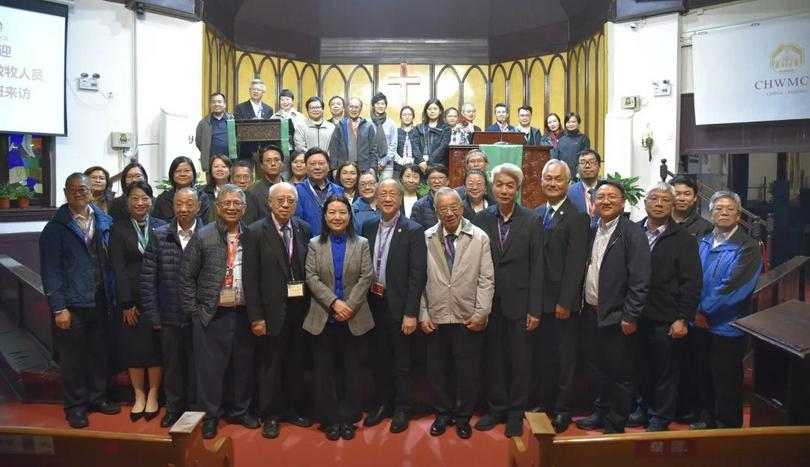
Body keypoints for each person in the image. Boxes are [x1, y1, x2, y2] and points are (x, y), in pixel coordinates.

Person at [40, 173, 121, 429]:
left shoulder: (103, 220)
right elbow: (50, 270)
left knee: (99, 353)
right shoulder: (56, 228)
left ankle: (97, 398)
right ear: (66, 193)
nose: (78, 193)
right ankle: (75, 406)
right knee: (73, 359)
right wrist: (58, 307)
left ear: (91, 192)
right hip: (72, 305)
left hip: (101, 299)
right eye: (73, 189)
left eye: (83, 189)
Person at [179, 184, 259, 439]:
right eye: (227, 203)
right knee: (210, 371)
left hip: (244, 313)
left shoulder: (253, 235)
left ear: (244, 208)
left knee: (243, 367)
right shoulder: (203, 236)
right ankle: (210, 416)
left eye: (237, 203)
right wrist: (194, 311)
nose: (232, 208)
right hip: (211, 315)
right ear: (217, 207)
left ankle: (240, 411)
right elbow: (186, 277)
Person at [473, 163, 543, 438]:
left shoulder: (531, 220)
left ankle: (516, 412)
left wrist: (534, 309)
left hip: (520, 303)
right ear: (493, 187)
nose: (503, 190)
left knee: (519, 361)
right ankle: (496, 408)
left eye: (509, 185)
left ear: (517, 188)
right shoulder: (482, 219)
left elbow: (538, 267)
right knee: (494, 359)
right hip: (490, 303)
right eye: (499, 184)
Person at [576, 180, 650, 434]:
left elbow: (640, 278)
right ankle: (600, 412)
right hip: (591, 314)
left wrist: (631, 314)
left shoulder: (631, 232)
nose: (606, 201)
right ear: (594, 203)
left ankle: (616, 422)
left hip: (618, 317)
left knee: (620, 375)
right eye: (601, 197)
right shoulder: (592, 229)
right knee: (598, 371)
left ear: (622, 202)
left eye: (612, 197)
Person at [420, 187, 494, 439]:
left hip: (467, 315)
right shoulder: (427, 237)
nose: (449, 213)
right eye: (443, 208)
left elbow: (486, 279)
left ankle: (463, 417)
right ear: (436, 211)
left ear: (462, 208)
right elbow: (418, 279)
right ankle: (442, 414)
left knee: (467, 371)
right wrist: (423, 313)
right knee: (437, 372)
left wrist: (481, 313)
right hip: (436, 315)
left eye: (454, 207)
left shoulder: (479, 237)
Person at [243, 182, 314, 439]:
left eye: (290, 201)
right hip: (270, 312)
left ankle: (293, 408)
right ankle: (271, 414)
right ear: (270, 203)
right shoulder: (254, 232)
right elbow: (249, 279)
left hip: (299, 310)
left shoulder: (303, 229)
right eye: (280, 200)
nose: (285, 205)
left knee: (295, 363)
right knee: (270, 365)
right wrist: (256, 317)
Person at [632, 182, 702, 432]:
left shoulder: (683, 239)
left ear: (672, 205)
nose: (659, 203)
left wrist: (683, 318)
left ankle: (659, 417)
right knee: (641, 367)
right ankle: (642, 408)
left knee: (666, 372)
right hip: (636, 314)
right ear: (645, 203)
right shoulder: (633, 231)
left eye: (664, 200)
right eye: (654, 199)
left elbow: (691, 282)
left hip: (667, 317)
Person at [303, 195, 374, 441]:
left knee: (352, 372)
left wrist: (349, 306)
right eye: (332, 212)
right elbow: (311, 277)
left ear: (349, 215)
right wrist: (334, 302)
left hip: (354, 317)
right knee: (325, 372)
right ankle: (330, 419)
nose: (337, 217)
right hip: (324, 318)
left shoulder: (362, 243)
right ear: (324, 216)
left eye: (342, 212)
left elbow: (367, 276)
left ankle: (349, 418)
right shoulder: (314, 243)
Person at [689, 191, 761, 430]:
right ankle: (708, 418)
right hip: (699, 323)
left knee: (726, 380)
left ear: (739, 215)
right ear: (711, 213)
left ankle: (727, 427)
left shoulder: (748, 247)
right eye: (718, 209)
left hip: (727, 326)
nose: (723, 213)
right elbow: (692, 279)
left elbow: (734, 286)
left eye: (730, 209)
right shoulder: (705, 241)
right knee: (703, 374)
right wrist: (694, 311)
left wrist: (704, 311)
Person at [361, 179, 427, 433]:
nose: (387, 198)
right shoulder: (367, 226)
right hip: (373, 303)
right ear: (375, 198)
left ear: (400, 198)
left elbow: (417, 274)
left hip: (399, 306)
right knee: (379, 357)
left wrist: (411, 313)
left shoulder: (413, 229)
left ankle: (402, 408)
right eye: (382, 194)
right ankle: (382, 403)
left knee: (402, 361)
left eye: (392, 194)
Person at [532, 160, 590, 433]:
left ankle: (563, 409)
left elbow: (576, 264)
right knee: (543, 357)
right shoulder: (536, 213)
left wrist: (565, 302)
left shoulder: (577, 216)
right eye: (548, 178)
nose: (552, 183)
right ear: (541, 181)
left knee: (565, 359)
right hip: (539, 303)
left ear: (568, 183)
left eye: (558, 179)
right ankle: (545, 403)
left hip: (561, 304)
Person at [140, 187, 203, 428]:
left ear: (198, 207)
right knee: (173, 366)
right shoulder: (160, 234)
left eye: (189, 204)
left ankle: (196, 410)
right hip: (168, 314)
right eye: (179, 204)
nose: (184, 209)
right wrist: (153, 313)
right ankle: (173, 408)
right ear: (173, 206)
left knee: (198, 366)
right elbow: (148, 278)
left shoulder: (208, 234)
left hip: (199, 316)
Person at [109, 181, 166, 423]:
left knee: (155, 349)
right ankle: (139, 396)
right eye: (135, 198)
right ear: (127, 202)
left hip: (158, 298)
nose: (140, 203)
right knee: (134, 349)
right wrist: (126, 303)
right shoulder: (118, 229)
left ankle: (153, 395)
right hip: (132, 300)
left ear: (151, 201)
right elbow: (118, 270)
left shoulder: (162, 227)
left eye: (144, 198)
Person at [294, 148, 344, 237]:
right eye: (312, 164)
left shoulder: (339, 190)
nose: (317, 167)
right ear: (305, 167)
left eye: (321, 163)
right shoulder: (297, 191)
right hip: (308, 245)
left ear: (328, 166)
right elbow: (297, 223)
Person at [152, 156, 211, 223]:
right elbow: (157, 224)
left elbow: (205, 224)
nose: (182, 174)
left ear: (193, 174)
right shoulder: (163, 199)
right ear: (172, 175)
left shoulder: (202, 197)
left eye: (187, 171)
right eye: (178, 171)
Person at [328, 97, 379, 173]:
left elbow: (373, 149)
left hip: (364, 168)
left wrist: (372, 167)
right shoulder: (341, 126)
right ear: (347, 108)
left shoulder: (368, 126)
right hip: (344, 169)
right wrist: (334, 168)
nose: (353, 109)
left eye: (356, 107)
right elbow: (334, 149)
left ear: (360, 109)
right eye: (351, 107)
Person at [234, 79, 274, 160]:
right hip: (246, 149)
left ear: (263, 92)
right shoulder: (240, 108)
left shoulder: (268, 109)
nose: (255, 91)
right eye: (253, 89)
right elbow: (236, 128)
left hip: (264, 149)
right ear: (249, 91)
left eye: (258, 89)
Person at [196, 92, 235, 168]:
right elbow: (199, 142)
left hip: (230, 163)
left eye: (219, 102)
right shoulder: (204, 123)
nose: (216, 104)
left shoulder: (232, 120)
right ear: (210, 105)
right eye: (213, 102)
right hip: (211, 163)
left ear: (224, 104)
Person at [567, 149, 602, 228]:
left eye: (592, 162)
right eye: (583, 162)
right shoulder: (569, 192)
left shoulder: (607, 190)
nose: (587, 166)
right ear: (577, 168)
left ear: (599, 166)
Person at [249, 145, 285, 219]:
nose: (273, 164)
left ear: (282, 163)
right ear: (261, 165)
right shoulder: (253, 191)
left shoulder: (292, 188)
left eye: (276, 160)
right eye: (268, 160)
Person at [411, 165, 449, 231]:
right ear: (427, 181)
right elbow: (413, 231)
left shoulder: (455, 202)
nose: (437, 181)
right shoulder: (419, 205)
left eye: (441, 177)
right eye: (432, 178)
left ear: (447, 181)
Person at [417, 99, 451, 171]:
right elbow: (415, 146)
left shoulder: (446, 128)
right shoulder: (418, 127)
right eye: (429, 109)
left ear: (440, 111)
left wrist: (428, 162)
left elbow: (442, 147)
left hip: (439, 164)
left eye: (435, 109)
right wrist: (421, 161)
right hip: (420, 164)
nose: (432, 111)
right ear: (426, 111)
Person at [370, 92, 398, 179]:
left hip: (387, 164)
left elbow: (393, 145)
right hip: (370, 164)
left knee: (386, 190)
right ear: (373, 105)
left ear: (386, 106)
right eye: (377, 103)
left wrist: (384, 161)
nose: (380, 106)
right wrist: (373, 162)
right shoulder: (367, 123)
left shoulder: (391, 124)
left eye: (383, 103)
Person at [271, 89, 304, 155]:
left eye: (287, 99)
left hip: (297, 151)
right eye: (282, 100)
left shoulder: (300, 116)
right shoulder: (274, 117)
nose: (285, 102)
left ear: (292, 101)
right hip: (279, 152)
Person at [557, 112, 590, 176]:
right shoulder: (561, 140)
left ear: (578, 123)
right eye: (568, 122)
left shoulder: (583, 138)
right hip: (563, 173)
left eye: (573, 122)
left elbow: (585, 157)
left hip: (578, 174)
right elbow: (558, 158)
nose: (570, 124)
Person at [394, 106, 423, 175]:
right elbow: (392, 149)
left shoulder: (419, 131)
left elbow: (422, 149)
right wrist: (400, 161)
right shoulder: (396, 132)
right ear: (400, 117)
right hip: (398, 169)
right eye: (404, 115)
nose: (407, 117)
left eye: (409, 115)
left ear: (413, 117)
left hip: (416, 168)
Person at [202, 155, 232, 222]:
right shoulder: (203, 193)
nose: (219, 169)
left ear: (230, 170)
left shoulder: (237, 191)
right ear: (211, 170)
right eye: (216, 167)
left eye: (223, 166)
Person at [231, 160, 262, 225]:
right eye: (238, 177)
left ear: (252, 179)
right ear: (231, 180)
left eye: (246, 177)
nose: (242, 181)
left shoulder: (259, 199)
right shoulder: (226, 200)